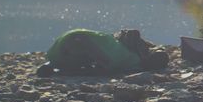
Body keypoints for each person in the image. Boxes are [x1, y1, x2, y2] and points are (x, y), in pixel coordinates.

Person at [37, 28, 169, 76]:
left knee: (86, 61)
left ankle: (54, 67)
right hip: (74, 41)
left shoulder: (131, 58)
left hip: (68, 45)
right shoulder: (131, 57)